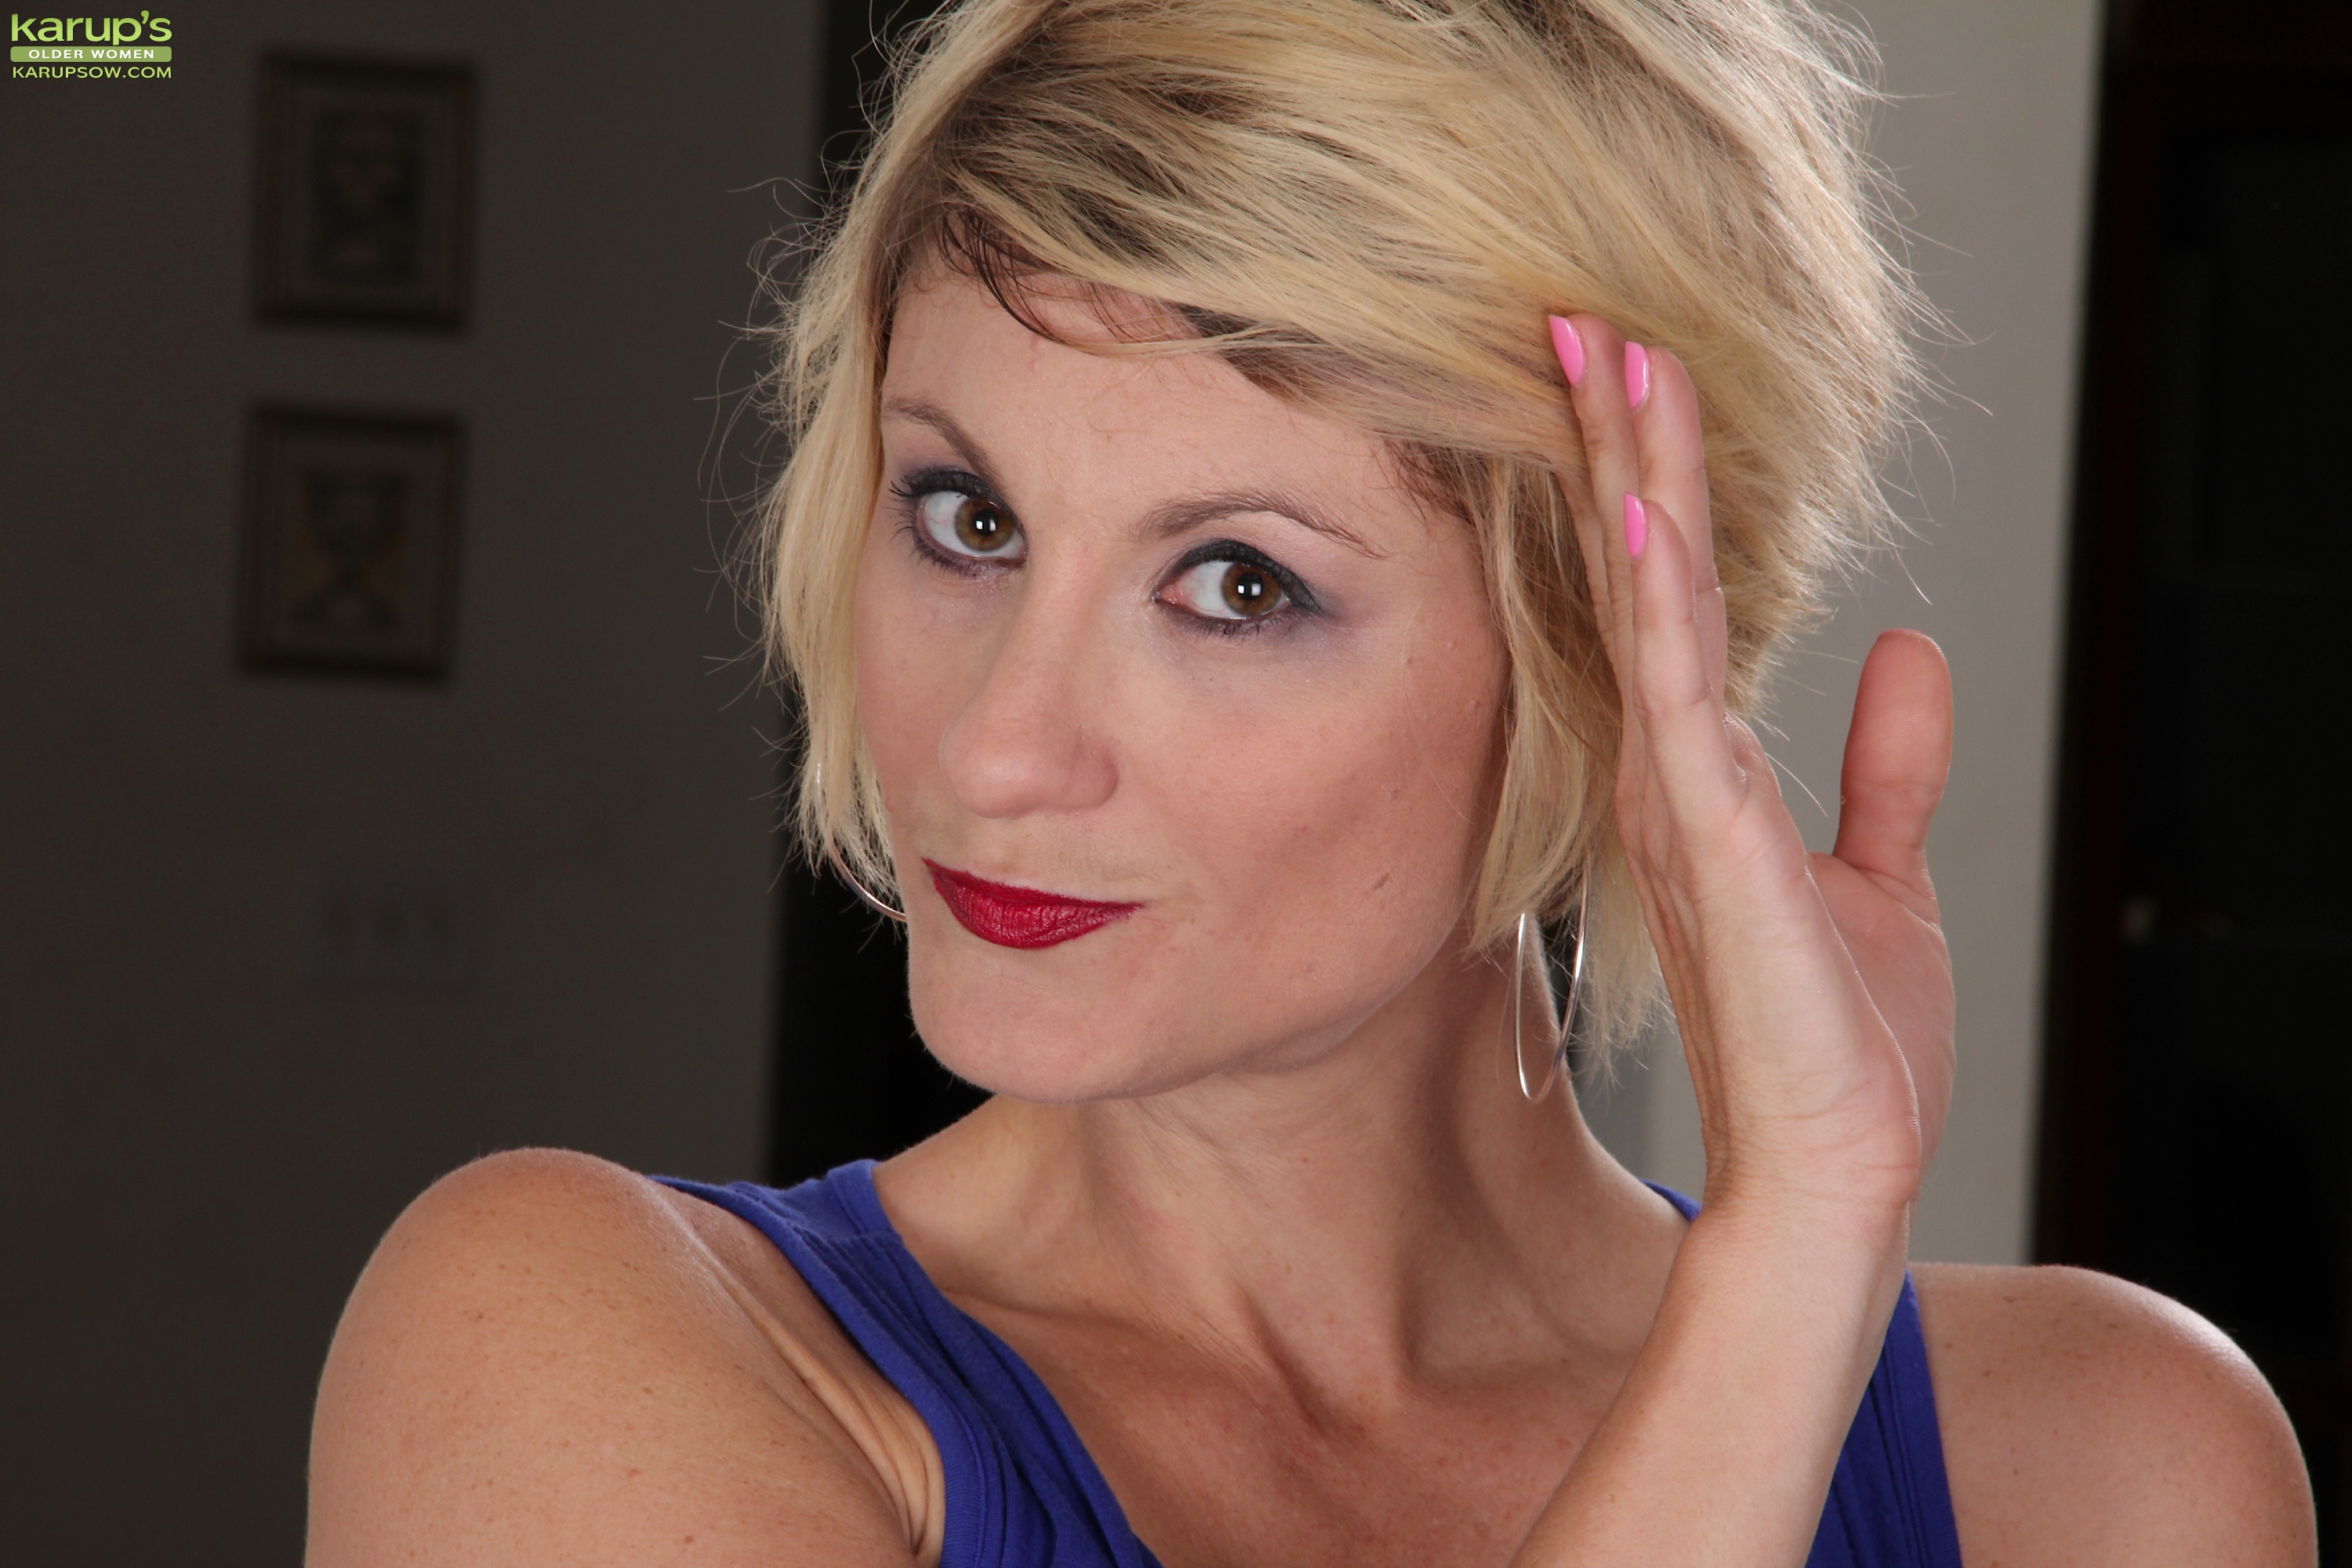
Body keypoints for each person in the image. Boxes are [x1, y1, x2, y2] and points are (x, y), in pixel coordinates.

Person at [305, 1, 2314, 1563]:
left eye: (1238, 583)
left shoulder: (2103, 1474)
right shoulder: (570, 1352)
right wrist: (1785, 1283)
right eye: (968, 518)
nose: (995, 745)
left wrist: (1821, 1224)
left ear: (1601, 658)